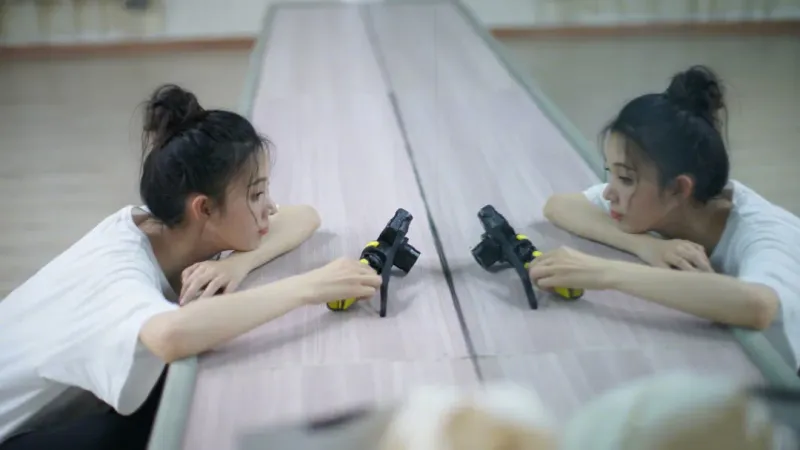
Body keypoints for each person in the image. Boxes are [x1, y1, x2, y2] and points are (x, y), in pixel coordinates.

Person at [0, 84, 382, 449]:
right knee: (162, 409)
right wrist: (310, 287)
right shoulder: (118, 272)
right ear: (204, 207)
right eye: (256, 194)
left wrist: (238, 265)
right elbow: (170, 335)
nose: (268, 206)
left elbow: (303, 216)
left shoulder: (169, 225)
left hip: (41, 419)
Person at [529, 65, 800, 371]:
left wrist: (603, 273)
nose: (608, 193)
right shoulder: (672, 204)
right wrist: (647, 246)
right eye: (611, 174)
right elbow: (560, 206)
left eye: (626, 178)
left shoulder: (766, 234)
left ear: (678, 189)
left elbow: (758, 305)